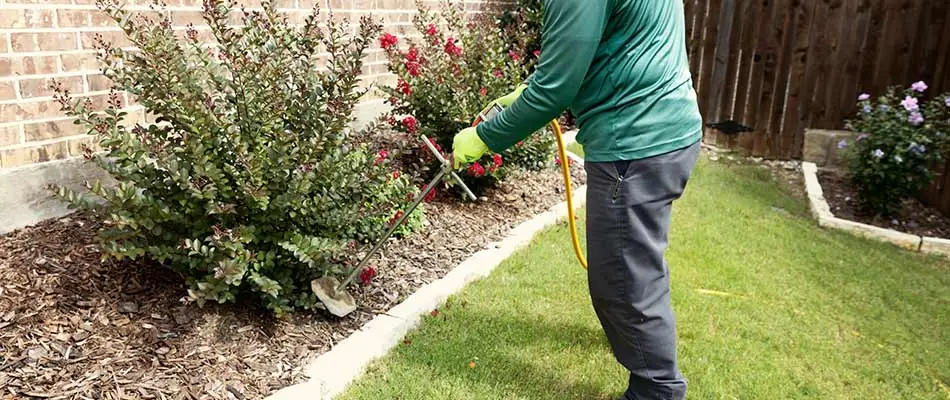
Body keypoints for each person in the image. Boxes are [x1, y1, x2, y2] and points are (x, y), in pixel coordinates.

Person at [451, 1, 703, 399]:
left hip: (635, 141)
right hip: (665, 127)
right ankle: (639, 346)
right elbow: (608, 44)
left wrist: (485, 137)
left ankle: (657, 389)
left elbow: (555, 89)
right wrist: (530, 91)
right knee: (636, 264)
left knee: (621, 282)